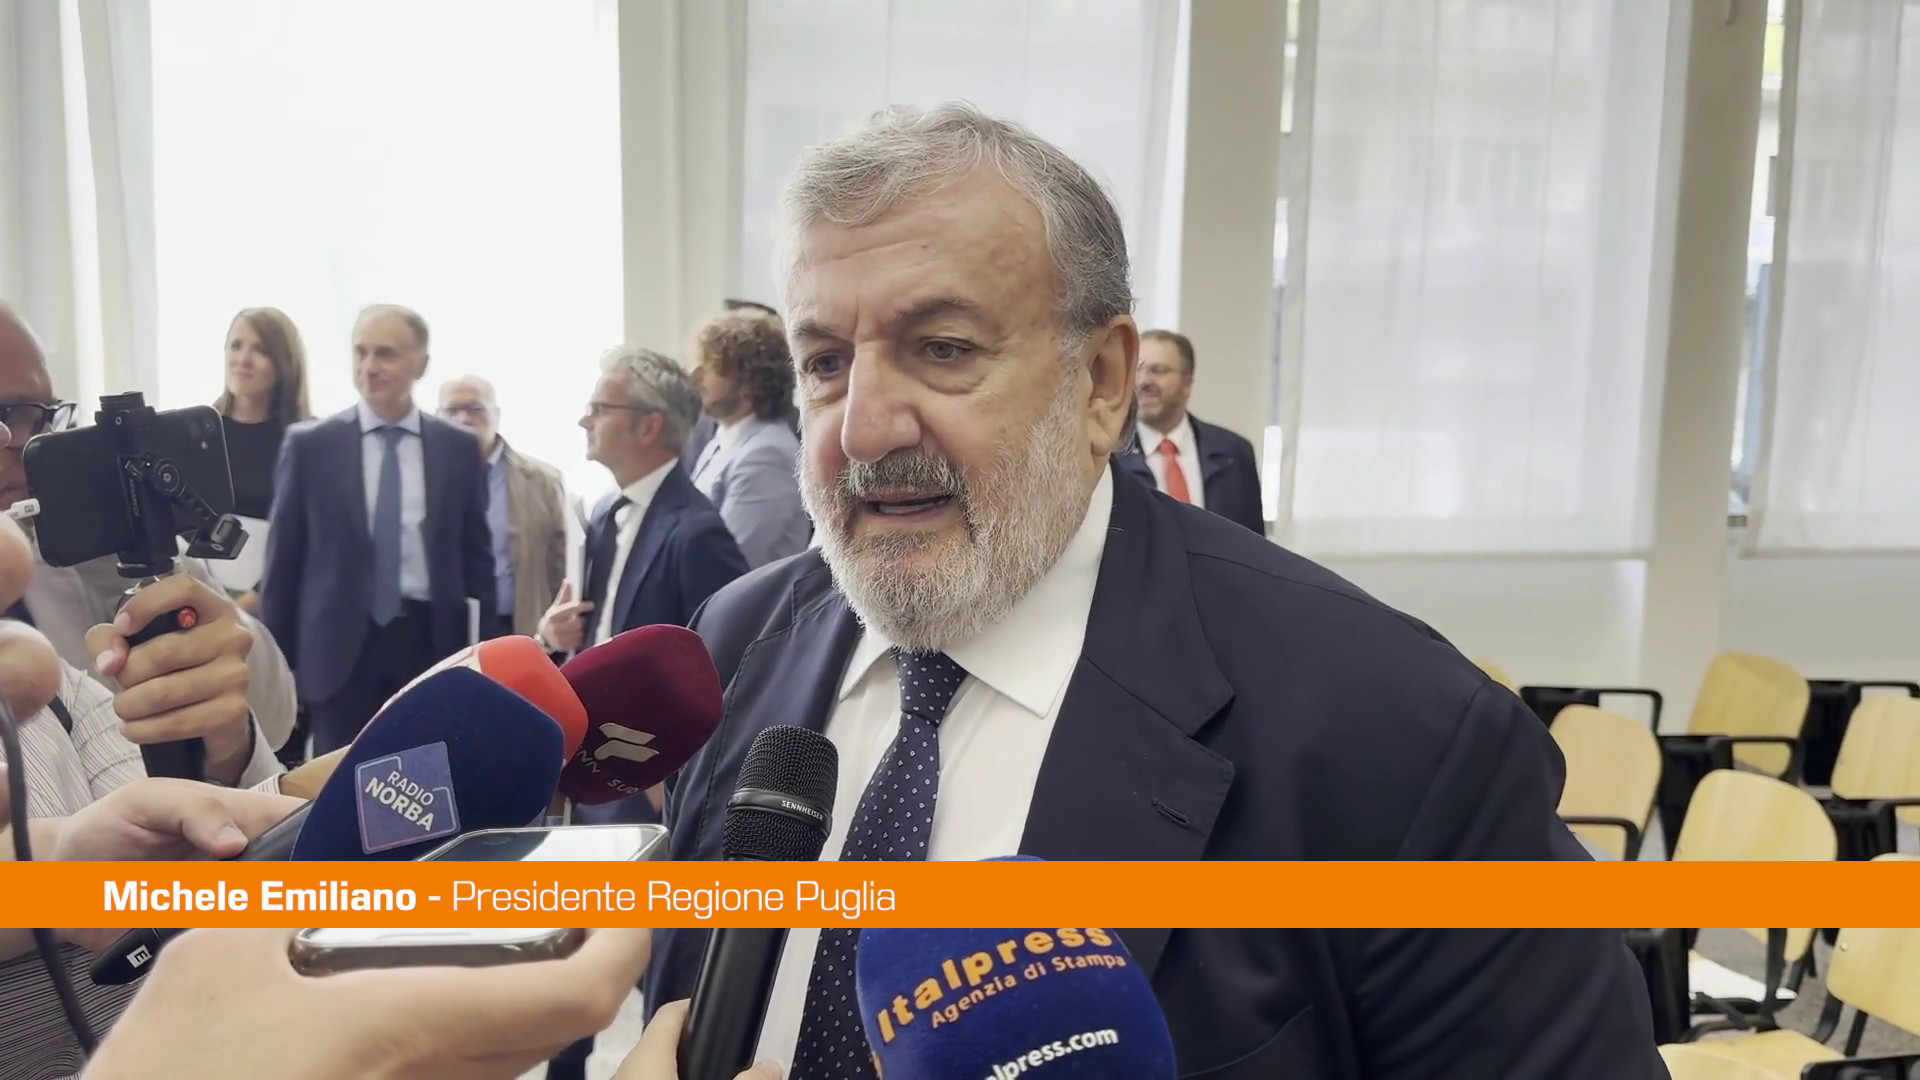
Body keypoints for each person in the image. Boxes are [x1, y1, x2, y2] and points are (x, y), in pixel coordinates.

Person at [645, 104, 1665, 1080]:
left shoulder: (1399, 736)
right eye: (825, 362)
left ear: (1102, 384)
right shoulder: (739, 641)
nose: (864, 429)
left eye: (943, 350)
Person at [0, 302, 294, 772]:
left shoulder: (100, 539)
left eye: (37, 417)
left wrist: (231, 744)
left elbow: (276, 717)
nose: (19, 443)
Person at [259, 305, 496, 754]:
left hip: (429, 643)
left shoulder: (457, 448)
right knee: (339, 780)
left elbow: (478, 563)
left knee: (426, 775)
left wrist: (488, 654)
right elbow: (284, 564)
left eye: (385, 354)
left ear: (420, 364)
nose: (369, 367)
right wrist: (276, 669)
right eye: (360, 352)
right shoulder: (311, 446)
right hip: (338, 652)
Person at [535, 347, 745, 658]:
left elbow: (725, 656)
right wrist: (550, 636)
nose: (584, 421)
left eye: (599, 409)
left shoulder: (698, 534)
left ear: (649, 427)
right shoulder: (605, 512)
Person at [437, 375, 569, 640]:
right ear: (437, 417)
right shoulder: (420, 481)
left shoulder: (542, 481)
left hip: (520, 629)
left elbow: (561, 564)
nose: (464, 419)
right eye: (452, 410)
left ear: (497, 415)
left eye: (476, 409)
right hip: (444, 634)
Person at [686, 309, 810, 567]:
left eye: (711, 365)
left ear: (750, 381)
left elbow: (726, 562)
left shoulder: (767, 455)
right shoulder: (721, 440)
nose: (694, 374)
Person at [1116, 329, 1265, 534]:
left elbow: (1254, 541)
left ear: (1187, 382)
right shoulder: (1110, 452)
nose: (1143, 382)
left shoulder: (1234, 452)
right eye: (1136, 370)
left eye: (1158, 370)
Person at [214, 307, 312, 526]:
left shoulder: (310, 441)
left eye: (261, 350)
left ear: (284, 363)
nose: (243, 359)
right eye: (236, 346)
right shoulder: (199, 432)